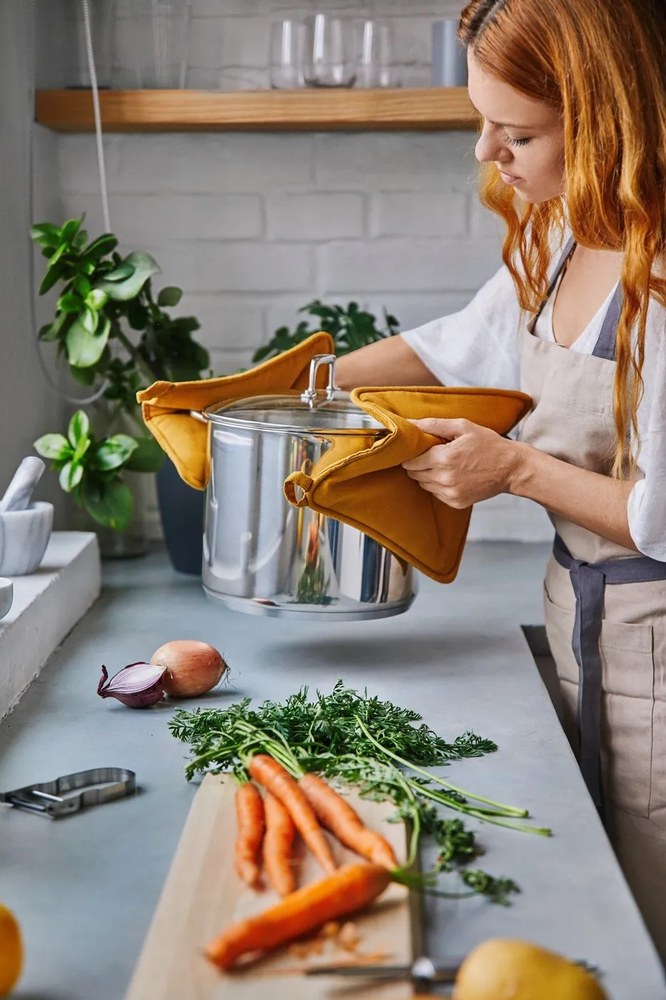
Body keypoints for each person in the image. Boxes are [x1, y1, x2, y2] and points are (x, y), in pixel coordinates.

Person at [334, 0, 666, 962]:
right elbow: (456, 347)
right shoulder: (568, 234)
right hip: (585, 631)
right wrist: (295, 387)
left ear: (606, 117)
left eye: (516, 132)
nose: (488, 152)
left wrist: (514, 468)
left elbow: (660, 514)